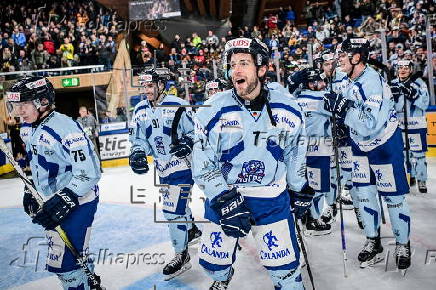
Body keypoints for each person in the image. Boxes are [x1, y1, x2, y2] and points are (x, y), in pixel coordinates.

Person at [193, 37, 313, 290]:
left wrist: (299, 186)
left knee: (286, 272)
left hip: (270, 198)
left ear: (261, 68)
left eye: (244, 63)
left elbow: (294, 150)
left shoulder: (287, 107)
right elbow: (202, 157)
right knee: (213, 265)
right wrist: (222, 197)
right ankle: (222, 276)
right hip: (227, 195)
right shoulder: (213, 108)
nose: (235, 70)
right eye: (232, 63)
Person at [324, 38, 411, 271]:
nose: (338, 59)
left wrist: (343, 109)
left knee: (393, 197)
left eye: (343, 55)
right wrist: (335, 111)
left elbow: (369, 123)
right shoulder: (347, 78)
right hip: (359, 146)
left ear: (357, 58)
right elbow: (342, 107)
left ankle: (403, 243)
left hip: (384, 145)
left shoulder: (372, 82)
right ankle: (373, 240)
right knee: (363, 194)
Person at [6, 76, 101, 289]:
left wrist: (66, 197)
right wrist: (31, 189)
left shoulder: (66, 129)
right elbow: (38, 165)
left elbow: (90, 172)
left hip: (79, 200)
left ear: (42, 102)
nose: (19, 111)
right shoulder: (28, 129)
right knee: (72, 254)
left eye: (24, 105)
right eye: (16, 105)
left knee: (65, 264)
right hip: (52, 200)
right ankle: (90, 281)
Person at [128, 69, 202, 281]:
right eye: (144, 86)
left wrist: (188, 142)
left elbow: (195, 131)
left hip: (182, 166)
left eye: (150, 86)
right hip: (163, 168)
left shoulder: (177, 105)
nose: (146, 90)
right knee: (179, 205)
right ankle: (191, 230)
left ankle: (182, 254)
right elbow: (138, 139)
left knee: (171, 211)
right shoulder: (140, 109)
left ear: (161, 85)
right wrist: (138, 153)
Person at [294, 68, 332, 236]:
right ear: (311, 83)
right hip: (319, 147)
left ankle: (304, 215)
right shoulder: (321, 98)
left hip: (299, 149)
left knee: (303, 183)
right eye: (319, 81)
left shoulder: (295, 98)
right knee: (319, 186)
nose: (323, 84)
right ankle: (313, 219)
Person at [391, 60, 429, 193]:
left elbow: (424, 103)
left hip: (416, 125)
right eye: (400, 67)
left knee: (418, 155)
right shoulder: (393, 84)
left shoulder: (419, 83)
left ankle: (421, 179)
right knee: (402, 154)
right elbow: (389, 107)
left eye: (406, 67)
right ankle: (410, 175)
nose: (403, 70)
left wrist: (413, 94)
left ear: (411, 70)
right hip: (399, 126)